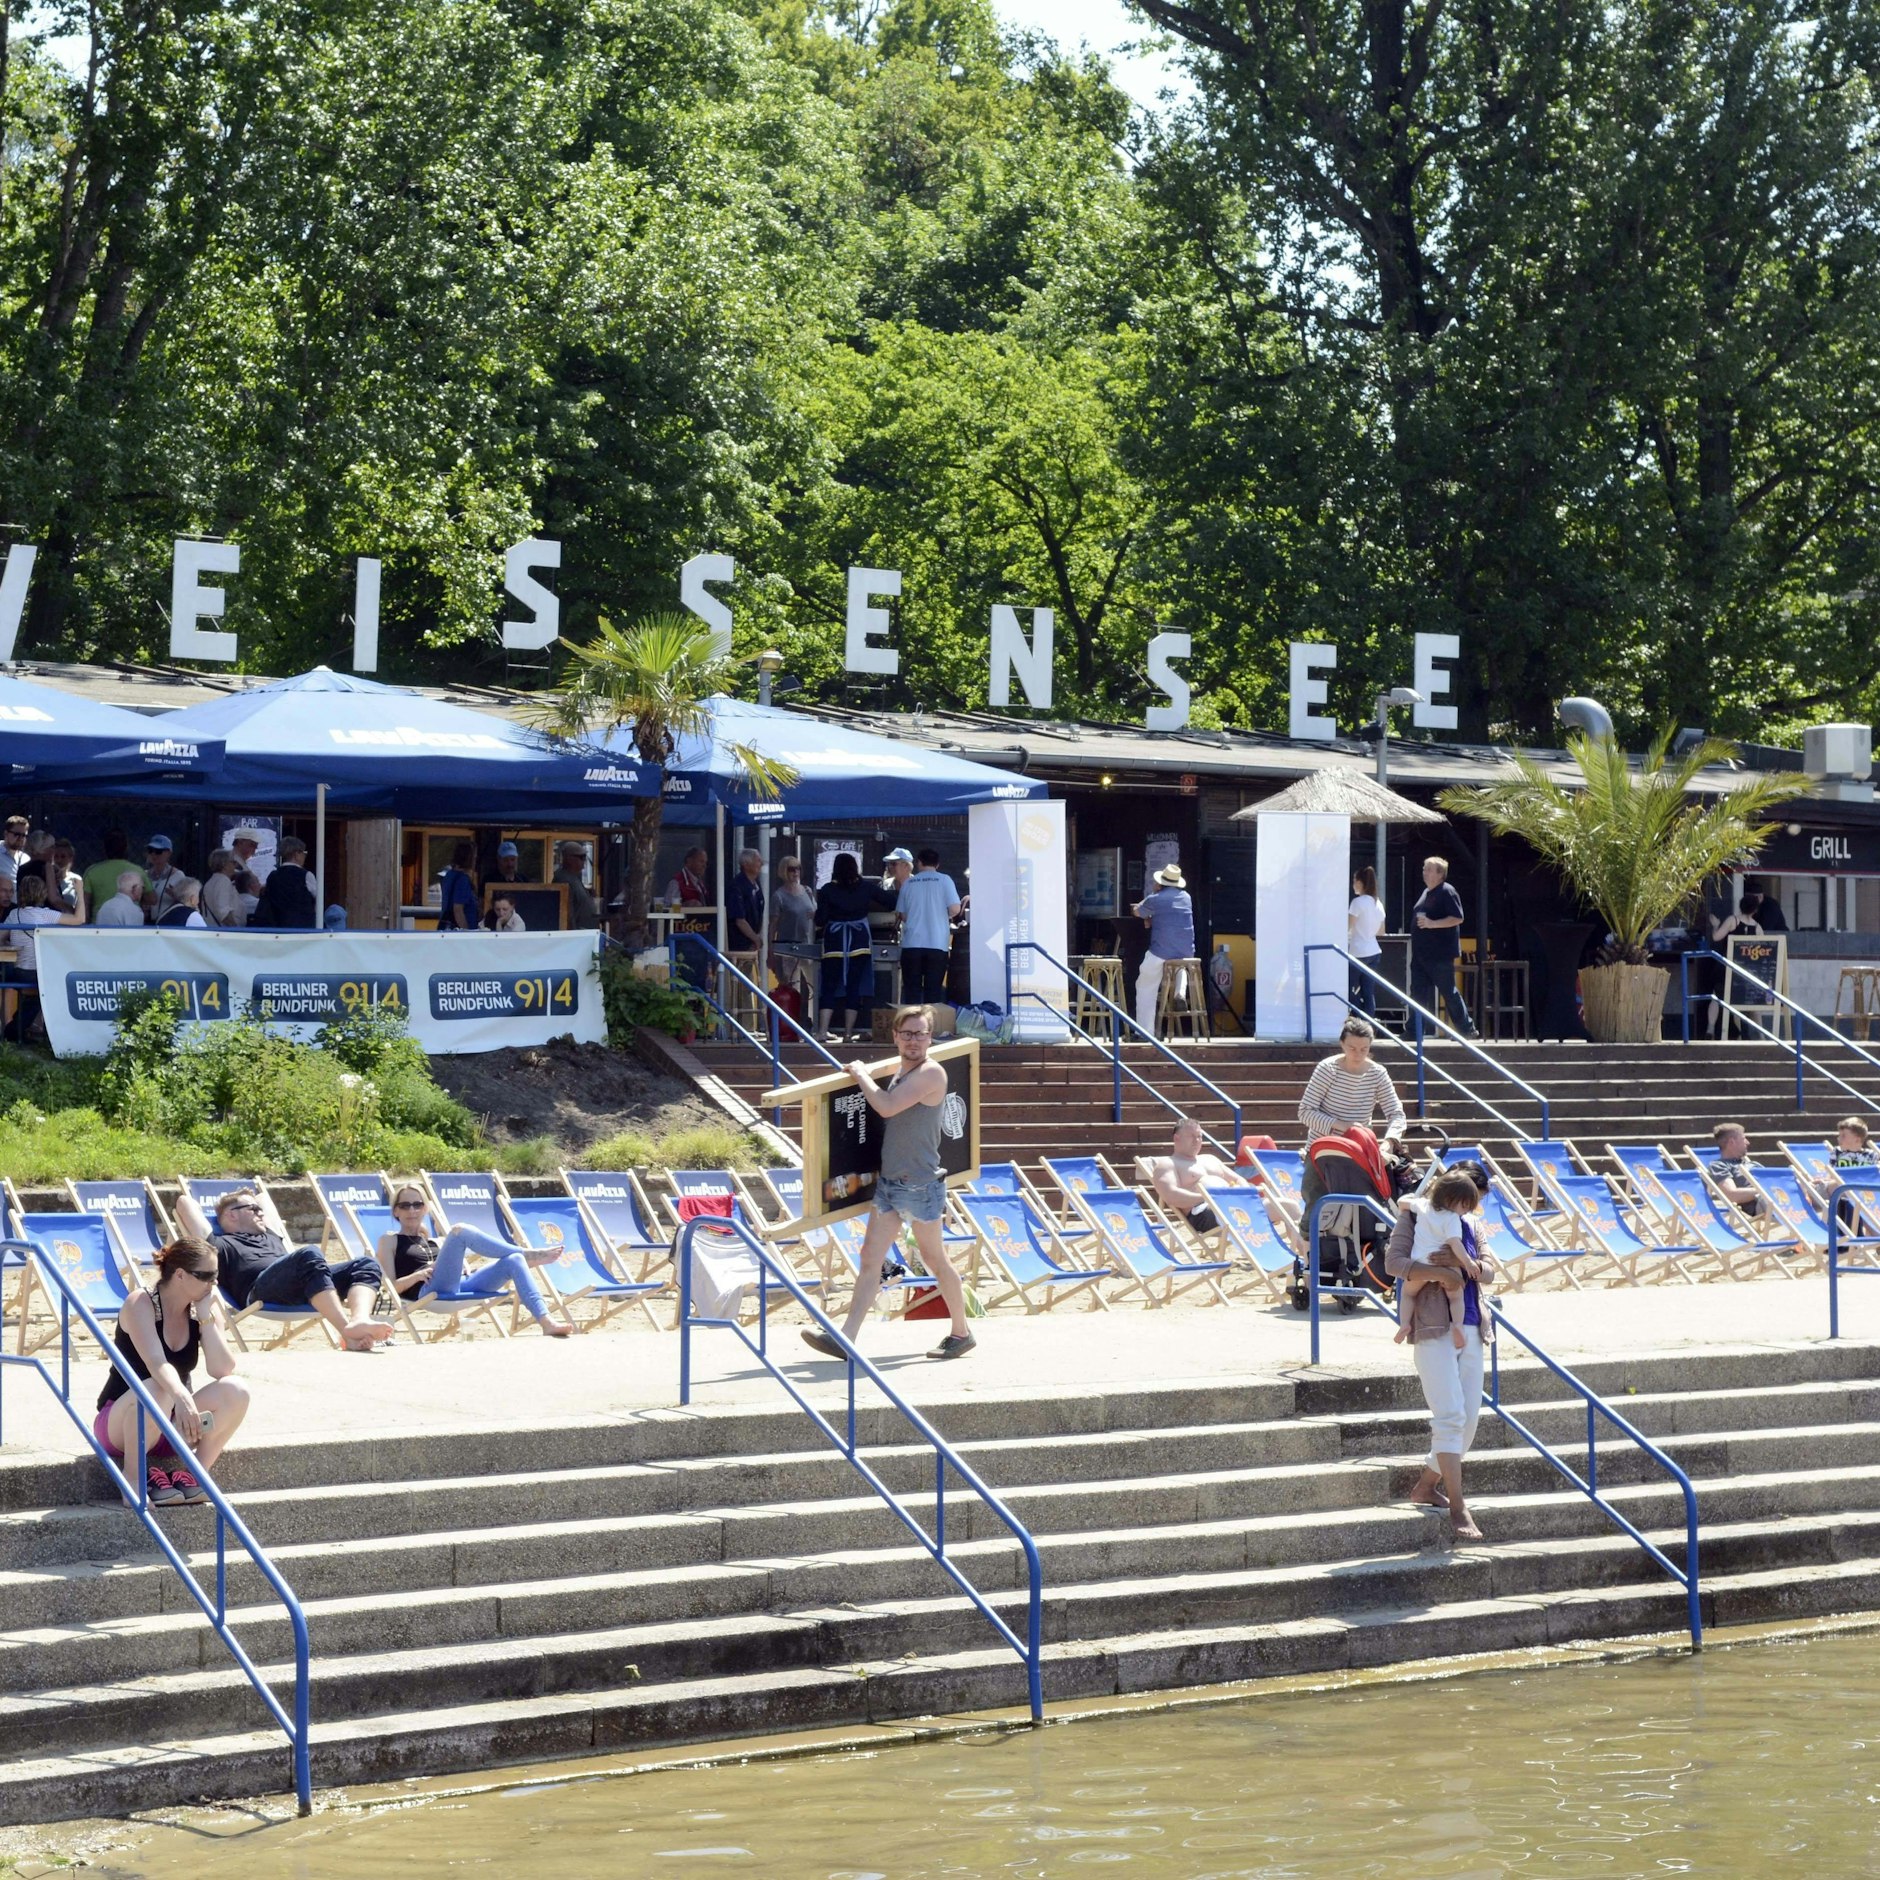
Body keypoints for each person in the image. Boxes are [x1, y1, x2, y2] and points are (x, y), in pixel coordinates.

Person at [801, 1004, 974, 1361]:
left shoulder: (932, 1073)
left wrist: (861, 1073)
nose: (914, 1040)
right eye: (907, 1034)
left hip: (920, 1184)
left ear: (930, 1037)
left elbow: (887, 1106)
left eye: (920, 1034)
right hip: (891, 1183)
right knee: (870, 1258)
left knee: (935, 1259)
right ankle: (846, 1338)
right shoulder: (901, 1070)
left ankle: (962, 1332)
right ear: (895, 1036)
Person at [94, 1239, 250, 1508]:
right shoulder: (140, 1303)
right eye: (206, 1276)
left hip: (171, 1422)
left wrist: (206, 1317)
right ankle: (132, 1479)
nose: (214, 1283)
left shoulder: (203, 1308)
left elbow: (221, 1369)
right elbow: (156, 1362)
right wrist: (183, 1397)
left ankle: (195, 1475)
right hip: (122, 1424)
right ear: (180, 1275)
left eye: (216, 1276)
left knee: (236, 1390)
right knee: (158, 1387)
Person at [1387, 1159, 1496, 1544]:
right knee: (1450, 1417)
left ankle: (1425, 1486)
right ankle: (1458, 1507)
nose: (1469, 1207)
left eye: (1474, 1201)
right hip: (1432, 1325)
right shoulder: (1415, 1217)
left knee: (1469, 1421)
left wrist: (1467, 1265)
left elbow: (1489, 1271)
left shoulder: (1472, 1225)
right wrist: (1441, 1273)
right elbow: (1394, 1263)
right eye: (1468, 1199)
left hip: (1471, 1325)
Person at [180, 1188, 393, 1353]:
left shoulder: (270, 1233)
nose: (260, 1212)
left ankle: (359, 1320)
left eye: (259, 1209)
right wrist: (225, 1203)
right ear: (231, 1215)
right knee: (309, 1253)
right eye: (253, 1209)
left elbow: (263, 1197)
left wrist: (249, 1200)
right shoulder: (217, 1242)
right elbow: (183, 1202)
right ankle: (346, 1330)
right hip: (259, 1289)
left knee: (366, 1263)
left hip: (306, 1282)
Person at [373, 1185, 574, 1338]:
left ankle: (546, 1321)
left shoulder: (436, 1241)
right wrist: (417, 1275)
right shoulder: (389, 1241)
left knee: (514, 1260)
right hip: (428, 1291)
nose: (412, 1210)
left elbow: (451, 1265)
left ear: (425, 1208)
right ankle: (527, 1253)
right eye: (405, 1206)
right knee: (460, 1230)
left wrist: (460, 1263)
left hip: (459, 1284)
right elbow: (390, 1287)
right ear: (396, 1211)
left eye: (417, 1204)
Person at [1296, 1015, 1407, 1221]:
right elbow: (1305, 1111)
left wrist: (1389, 1142)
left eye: (1364, 1049)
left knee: (1361, 1211)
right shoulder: (1327, 1069)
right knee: (1315, 1207)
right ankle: (1308, 1240)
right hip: (1322, 1149)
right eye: (1352, 1048)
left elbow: (1396, 1113)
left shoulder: (1377, 1073)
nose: (1357, 1054)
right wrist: (1344, 1127)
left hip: (1359, 1151)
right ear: (1342, 1044)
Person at [1395, 1173, 1481, 1351]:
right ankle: (1458, 1325)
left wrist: (1410, 1200)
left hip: (1421, 1265)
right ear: (1450, 1199)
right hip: (1445, 1266)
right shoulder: (1451, 1218)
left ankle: (1404, 1323)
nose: (1466, 1211)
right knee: (1456, 1297)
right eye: (1465, 1205)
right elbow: (1455, 1244)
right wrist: (1468, 1262)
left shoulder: (1423, 1205)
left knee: (1408, 1294)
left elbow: (1401, 1202)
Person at [815, 851, 894, 1042]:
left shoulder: (827, 890)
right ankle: (848, 1033)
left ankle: (823, 1031)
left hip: (834, 942)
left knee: (829, 986)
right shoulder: (866, 887)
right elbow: (891, 902)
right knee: (854, 986)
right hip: (859, 942)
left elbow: (820, 919)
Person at [3, 872, 87, 1040]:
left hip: (20, 971)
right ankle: (21, 1031)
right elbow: (80, 919)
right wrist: (80, 892)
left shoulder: (14, 915)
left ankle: (16, 1031)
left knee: (32, 998)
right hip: (40, 973)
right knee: (52, 990)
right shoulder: (46, 915)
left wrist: (11, 943)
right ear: (42, 893)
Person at [1409, 856, 1475, 1035]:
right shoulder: (1426, 892)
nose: (1424, 872)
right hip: (1421, 954)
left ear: (1440, 874)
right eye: (1424, 868)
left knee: (1448, 991)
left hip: (1439, 954)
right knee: (1418, 993)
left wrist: (1432, 924)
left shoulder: (1447, 891)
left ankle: (1466, 1029)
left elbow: (1458, 917)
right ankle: (1414, 1030)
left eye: (1429, 869)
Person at [1147, 1116, 1245, 1234]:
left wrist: (1244, 1191)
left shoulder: (1210, 1159)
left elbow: (1238, 1179)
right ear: (1176, 1138)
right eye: (1191, 1136)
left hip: (1234, 1203)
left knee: (1265, 1205)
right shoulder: (1168, 1164)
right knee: (1243, 1213)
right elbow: (1171, 1195)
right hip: (1204, 1211)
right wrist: (1210, 1198)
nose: (1196, 1140)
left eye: (1199, 1136)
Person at [1132, 862, 1196, 1037]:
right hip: (1185, 952)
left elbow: (1137, 912)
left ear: (1161, 883)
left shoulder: (1155, 899)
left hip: (1161, 951)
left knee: (1145, 985)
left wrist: (1152, 897)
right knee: (1179, 965)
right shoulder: (1186, 897)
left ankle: (1144, 1032)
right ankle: (1179, 992)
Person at [897, 849, 961, 1006]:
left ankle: (911, 1021)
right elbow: (955, 909)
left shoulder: (908, 883)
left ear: (919, 863)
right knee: (933, 992)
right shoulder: (945, 880)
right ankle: (930, 1022)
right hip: (937, 943)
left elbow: (902, 915)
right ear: (937, 864)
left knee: (912, 991)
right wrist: (942, 914)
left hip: (912, 944)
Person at [771, 855, 818, 997]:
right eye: (791, 869)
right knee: (792, 988)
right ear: (784, 871)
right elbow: (773, 925)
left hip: (808, 946)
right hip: (789, 948)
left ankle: (813, 1011)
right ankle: (792, 1012)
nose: (796, 872)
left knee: (815, 986)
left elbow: (816, 913)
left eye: (798, 868)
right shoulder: (778, 896)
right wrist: (770, 951)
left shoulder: (807, 891)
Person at [1347, 865, 1386, 1017]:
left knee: (1350, 989)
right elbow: (1381, 931)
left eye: (1354, 881)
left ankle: (1357, 1019)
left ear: (1359, 883)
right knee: (1368, 991)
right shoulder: (1378, 903)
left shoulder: (1357, 903)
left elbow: (1347, 927)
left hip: (1358, 952)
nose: (1353, 885)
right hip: (1374, 951)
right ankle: (1368, 1022)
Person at [255, 837, 318, 928]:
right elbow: (318, 899)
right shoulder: (306, 875)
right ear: (296, 854)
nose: (305, 856)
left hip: (277, 926)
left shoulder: (272, 876)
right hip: (302, 927)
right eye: (304, 853)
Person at [1706, 1122, 1763, 1218]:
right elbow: (1732, 1195)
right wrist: (1765, 1191)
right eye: (1744, 1139)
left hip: (1777, 1197)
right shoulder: (1719, 1166)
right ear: (1732, 1142)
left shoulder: (1753, 1164)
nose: (1748, 1142)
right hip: (1763, 1202)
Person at [82, 829, 140, 911]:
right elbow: (152, 899)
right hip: (131, 918)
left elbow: (85, 905)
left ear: (105, 849)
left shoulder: (91, 871)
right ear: (126, 848)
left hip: (100, 918)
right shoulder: (138, 871)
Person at [728, 847, 764, 956]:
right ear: (746, 864)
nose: (761, 864)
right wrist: (755, 938)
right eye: (757, 860)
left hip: (751, 943)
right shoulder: (736, 886)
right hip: (739, 944)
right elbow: (739, 919)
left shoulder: (756, 884)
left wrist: (756, 937)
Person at [553, 840, 598, 928]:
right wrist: (573, 932)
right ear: (569, 858)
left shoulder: (574, 878)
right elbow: (567, 912)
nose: (584, 860)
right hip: (578, 933)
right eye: (581, 857)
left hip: (586, 931)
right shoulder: (563, 879)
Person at [143, 835, 186, 925]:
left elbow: (186, 902)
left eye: (158, 851)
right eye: (150, 851)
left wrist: (176, 895)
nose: (153, 854)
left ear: (169, 853)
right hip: (148, 923)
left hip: (169, 923)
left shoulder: (178, 876)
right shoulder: (145, 874)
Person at [201, 849, 246, 928]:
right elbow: (223, 913)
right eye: (233, 862)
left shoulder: (210, 882)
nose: (235, 865)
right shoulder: (223, 881)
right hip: (226, 932)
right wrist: (236, 930)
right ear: (224, 864)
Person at [0, 815, 28, 885]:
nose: (20, 838)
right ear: (6, 833)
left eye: (23, 835)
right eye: (17, 834)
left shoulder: (26, 859)